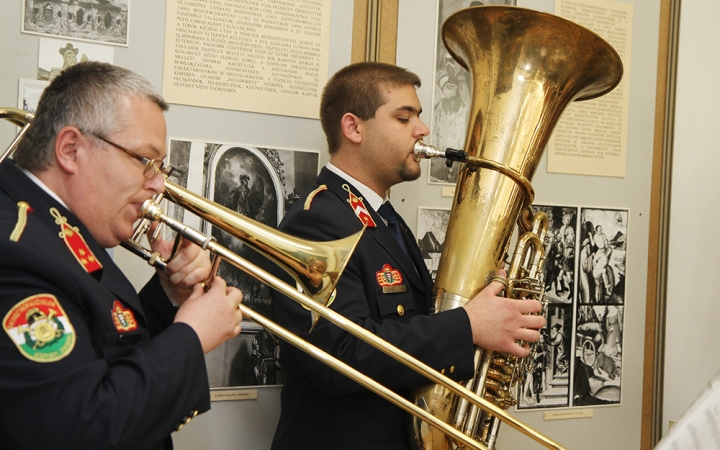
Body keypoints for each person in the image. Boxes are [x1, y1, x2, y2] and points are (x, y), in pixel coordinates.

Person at [270, 61, 544, 449]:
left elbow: (408, 324)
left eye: (418, 115)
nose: (423, 129)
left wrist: (485, 299)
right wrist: (467, 326)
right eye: (404, 117)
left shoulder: (382, 218)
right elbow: (336, 355)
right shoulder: (317, 220)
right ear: (353, 128)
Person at [0, 62, 244, 450]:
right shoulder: (14, 247)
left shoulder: (55, 227)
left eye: (161, 167)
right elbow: (80, 428)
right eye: (145, 161)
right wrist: (191, 337)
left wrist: (169, 300)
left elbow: (104, 343)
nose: (159, 184)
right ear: (70, 150)